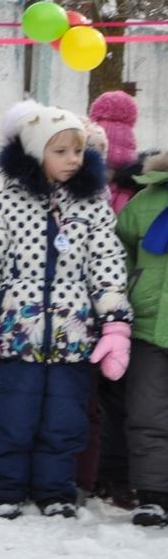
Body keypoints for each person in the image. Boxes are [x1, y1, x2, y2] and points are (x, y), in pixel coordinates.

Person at [0, 103, 131, 519]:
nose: (74, 158)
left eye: (78, 150)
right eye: (62, 151)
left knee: (65, 419)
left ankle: (55, 489)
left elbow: (108, 270)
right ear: (37, 154)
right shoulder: (5, 205)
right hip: (19, 335)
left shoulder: (93, 207)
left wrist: (114, 328)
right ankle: (6, 488)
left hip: (74, 338)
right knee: (12, 414)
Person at [81, 90, 143, 508]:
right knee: (122, 394)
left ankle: (90, 471)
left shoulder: (85, 174)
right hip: (128, 303)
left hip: (84, 301)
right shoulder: (140, 186)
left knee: (88, 393)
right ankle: (121, 477)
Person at [117, 150, 168, 526]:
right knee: (147, 412)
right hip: (150, 325)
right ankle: (153, 494)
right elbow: (119, 250)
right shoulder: (147, 200)